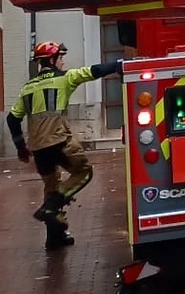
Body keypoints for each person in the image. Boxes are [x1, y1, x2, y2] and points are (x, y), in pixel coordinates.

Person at [7, 41, 122, 250]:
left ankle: (54, 238)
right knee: (84, 172)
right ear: (52, 60)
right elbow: (93, 71)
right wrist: (118, 64)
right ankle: (50, 208)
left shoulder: (27, 87)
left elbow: (12, 118)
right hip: (59, 141)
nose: (63, 61)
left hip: (38, 147)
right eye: (60, 57)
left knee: (51, 185)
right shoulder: (65, 78)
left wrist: (21, 147)